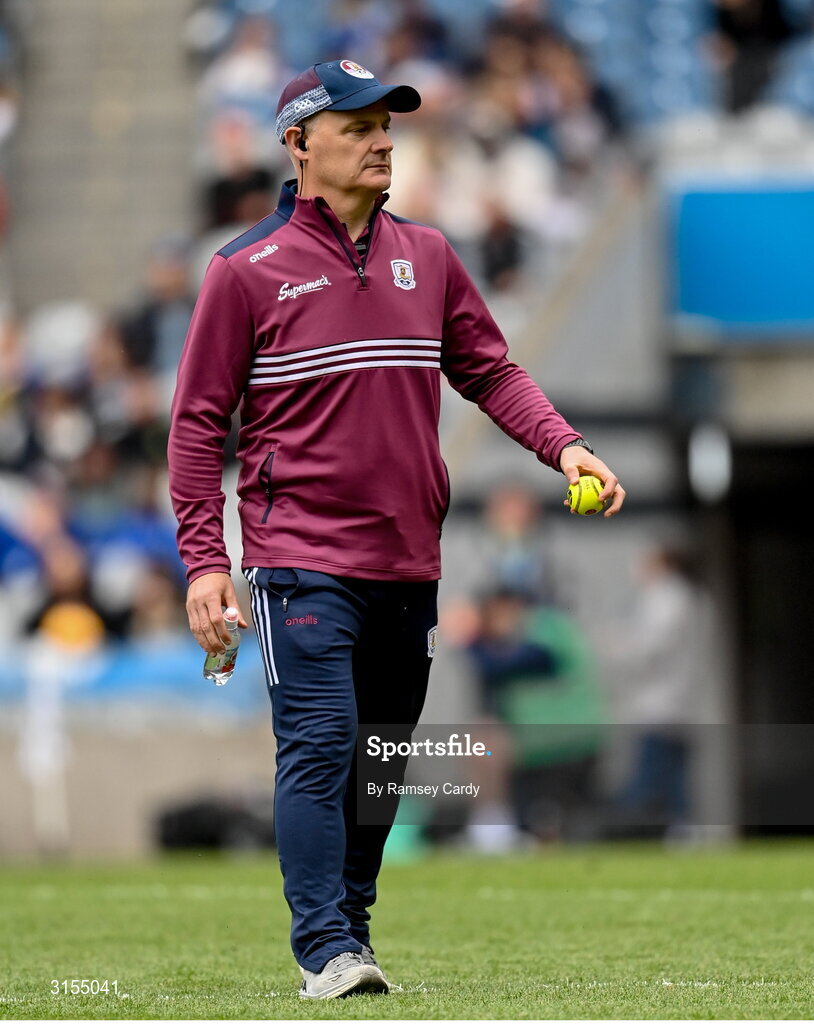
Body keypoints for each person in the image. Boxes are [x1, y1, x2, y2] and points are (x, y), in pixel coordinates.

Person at [168, 58, 625, 1000]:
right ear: (297, 145)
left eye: (388, 124)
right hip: (299, 560)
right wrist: (206, 561)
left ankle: (353, 927)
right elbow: (197, 425)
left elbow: (492, 371)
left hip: (408, 559)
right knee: (322, 740)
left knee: (380, 758)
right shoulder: (241, 272)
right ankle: (324, 948)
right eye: (358, 126)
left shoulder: (434, 254)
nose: (382, 141)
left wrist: (565, 448)